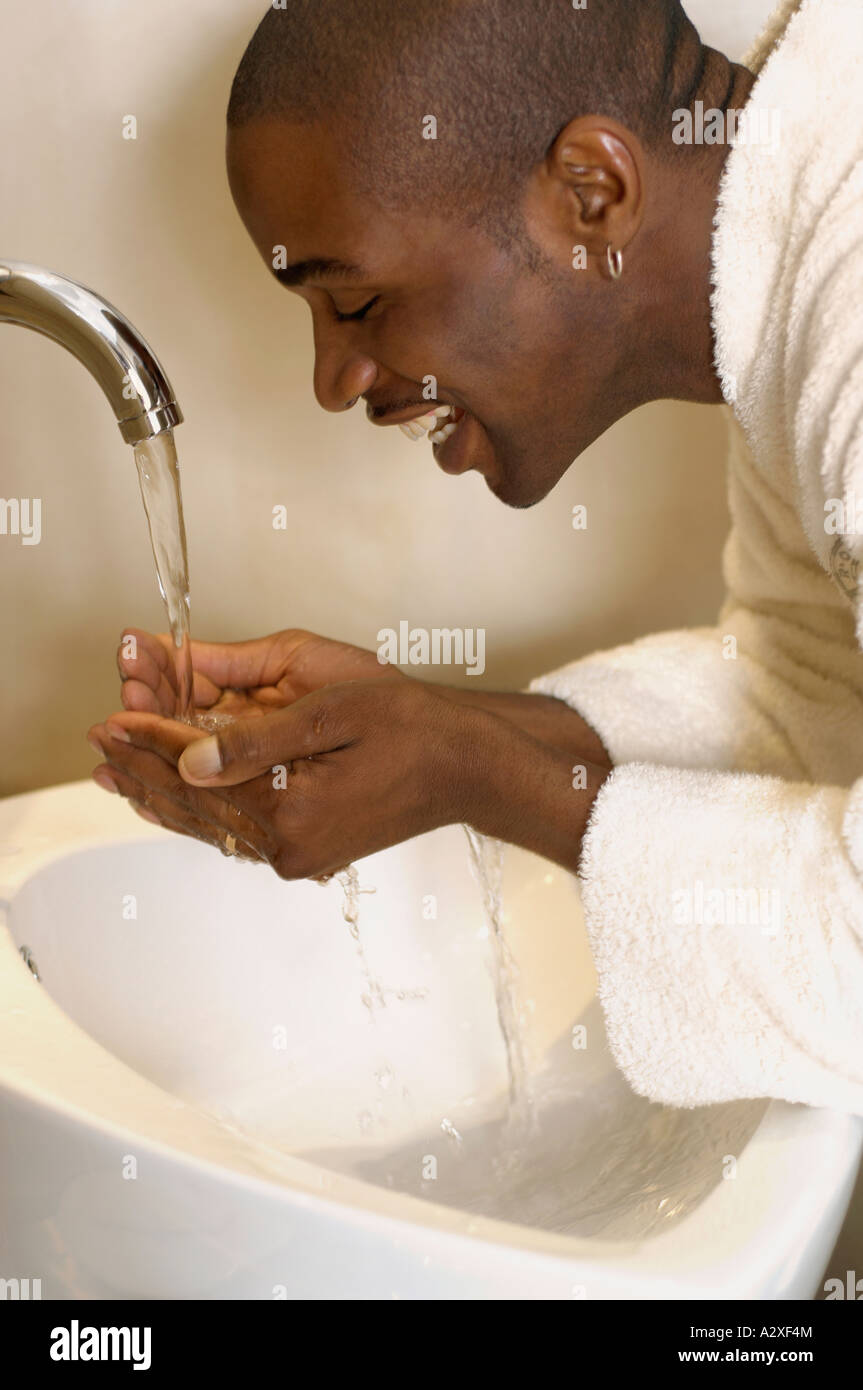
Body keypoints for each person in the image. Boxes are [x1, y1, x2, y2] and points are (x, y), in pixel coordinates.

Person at [89, 0, 863, 1114]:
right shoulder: (802, 254)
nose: (332, 379)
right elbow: (809, 692)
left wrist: (474, 772)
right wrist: (429, 731)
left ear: (589, 195)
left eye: (353, 300)